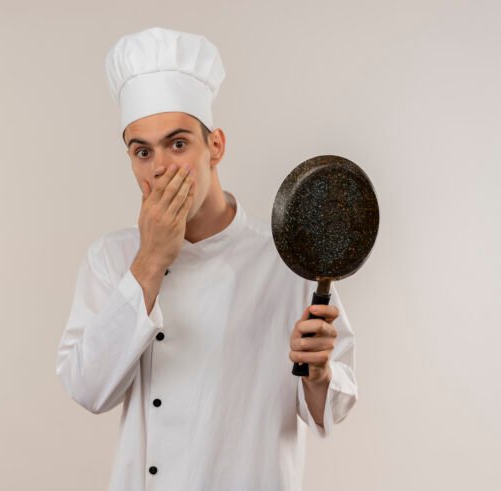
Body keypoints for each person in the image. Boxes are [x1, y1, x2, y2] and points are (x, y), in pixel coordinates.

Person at [55, 26, 358, 491]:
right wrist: (150, 262)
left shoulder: (285, 257)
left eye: (178, 144)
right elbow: (89, 390)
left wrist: (319, 372)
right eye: (142, 151)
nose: (159, 167)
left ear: (214, 146)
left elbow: (330, 410)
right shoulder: (111, 258)